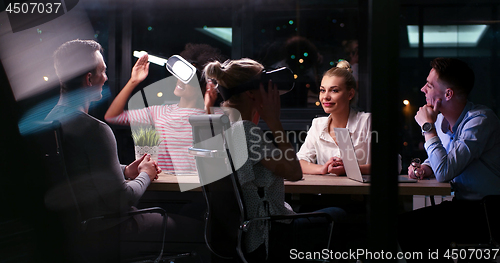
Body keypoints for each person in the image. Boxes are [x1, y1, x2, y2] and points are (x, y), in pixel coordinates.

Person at [45, 39, 201, 260]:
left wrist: (126, 170)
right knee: (203, 229)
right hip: (113, 230)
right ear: (89, 79)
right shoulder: (95, 130)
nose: (106, 78)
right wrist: (146, 174)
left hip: (79, 231)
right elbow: (123, 199)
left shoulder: (52, 122)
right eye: (103, 72)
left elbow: (82, 168)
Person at [203, 58, 346, 261]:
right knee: (339, 215)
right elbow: (295, 172)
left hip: (245, 232)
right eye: (265, 86)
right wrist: (274, 121)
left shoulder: (226, 128)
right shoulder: (245, 132)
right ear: (251, 93)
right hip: (267, 232)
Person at [398, 58, 500, 262]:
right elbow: (443, 160)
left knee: (410, 227)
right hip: (465, 206)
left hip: (490, 212)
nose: (422, 89)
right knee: (408, 226)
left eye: (429, 85)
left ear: (448, 94)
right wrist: (426, 167)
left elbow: (445, 170)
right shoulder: (444, 121)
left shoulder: (480, 121)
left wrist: (427, 127)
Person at [105, 43, 223, 174]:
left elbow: (215, 152)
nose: (180, 81)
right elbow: (112, 116)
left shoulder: (217, 115)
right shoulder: (159, 112)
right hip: (165, 185)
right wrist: (133, 81)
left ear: (205, 86)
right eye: (181, 76)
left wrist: (208, 108)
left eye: (190, 80)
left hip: (199, 188)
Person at [297, 60, 371, 175]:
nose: (325, 97)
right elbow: (299, 162)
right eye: (322, 90)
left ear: (350, 94)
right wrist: (322, 169)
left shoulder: (366, 121)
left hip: (359, 192)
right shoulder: (318, 125)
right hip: (327, 191)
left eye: (334, 90)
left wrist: (349, 169)